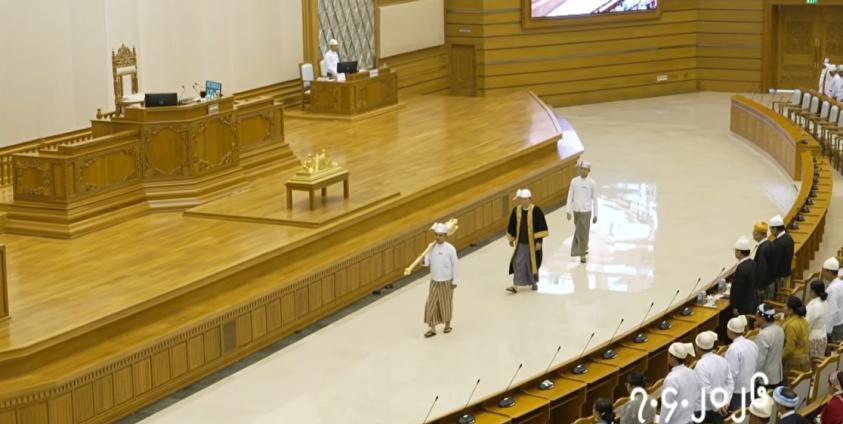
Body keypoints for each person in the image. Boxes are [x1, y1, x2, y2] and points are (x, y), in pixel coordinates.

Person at [506, 189, 549, 293]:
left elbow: (540, 226)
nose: (523, 201)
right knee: (517, 262)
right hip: (521, 243)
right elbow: (512, 225)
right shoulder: (516, 210)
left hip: (532, 244)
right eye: (521, 199)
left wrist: (539, 241)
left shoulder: (536, 211)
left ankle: (533, 282)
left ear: (529, 199)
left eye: (525, 199)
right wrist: (511, 239)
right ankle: (515, 285)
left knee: (531, 264)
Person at [421, 222, 458, 338]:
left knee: (445, 303)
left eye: (440, 235)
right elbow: (427, 263)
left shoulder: (450, 249)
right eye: (436, 235)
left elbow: (455, 265)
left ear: (445, 236)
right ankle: (432, 328)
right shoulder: (431, 247)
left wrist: (455, 281)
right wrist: (423, 259)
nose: (438, 237)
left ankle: (447, 325)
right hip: (434, 281)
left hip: (447, 281)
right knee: (430, 304)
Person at [693, 331, 734, 424]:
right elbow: (730, 383)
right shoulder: (722, 360)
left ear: (697, 347)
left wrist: (719, 407)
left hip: (703, 411)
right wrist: (726, 402)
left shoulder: (700, 366)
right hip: (720, 406)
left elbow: (706, 392)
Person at [725, 315, 759, 412]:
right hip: (750, 388)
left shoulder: (733, 349)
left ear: (730, 331)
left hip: (738, 393)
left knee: (738, 417)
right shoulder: (752, 344)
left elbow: (732, 375)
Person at [566, 161, 597, 263]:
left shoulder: (592, 183)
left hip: (586, 212)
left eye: (585, 169)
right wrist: (568, 210)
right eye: (581, 169)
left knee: (583, 233)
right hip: (576, 211)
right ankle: (584, 247)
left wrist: (595, 215)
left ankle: (582, 254)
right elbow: (570, 196)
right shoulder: (574, 181)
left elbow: (595, 199)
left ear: (589, 171)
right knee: (580, 232)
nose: (583, 171)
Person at [662, 342, 701, 424]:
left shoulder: (671, 379)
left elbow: (666, 408)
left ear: (672, 358)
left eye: (668, 355)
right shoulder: (692, 373)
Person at [755, 303, 784, 388]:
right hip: (778, 376)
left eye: (757, 316)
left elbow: (759, 361)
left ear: (762, 318)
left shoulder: (763, 335)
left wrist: (754, 379)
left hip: (766, 379)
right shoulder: (780, 329)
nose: (755, 318)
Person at [782, 296, 811, 374]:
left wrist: (779, 359)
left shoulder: (792, 326)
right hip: (805, 360)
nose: (783, 307)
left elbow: (789, 350)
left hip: (793, 363)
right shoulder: (804, 320)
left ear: (791, 310)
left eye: (785, 306)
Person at [731, 237, 758, 316]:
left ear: (739, 252)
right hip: (752, 301)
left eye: (736, 251)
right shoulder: (753, 263)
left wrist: (735, 306)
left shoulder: (741, 268)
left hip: (743, 305)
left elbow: (738, 289)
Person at [770, 214, 794, 293]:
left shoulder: (779, 243)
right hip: (786, 272)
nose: (770, 231)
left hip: (780, 276)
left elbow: (776, 262)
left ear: (775, 229)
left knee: (780, 295)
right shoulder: (788, 238)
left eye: (771, 229)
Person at [807, 279, 830, 359]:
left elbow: (807, 324)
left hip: (813, 339)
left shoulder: (814, 306)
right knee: (818, 362)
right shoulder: (825, 302)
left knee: (812, 362)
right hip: (822, 336)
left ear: (813, 291)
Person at [752, 221, 776, 302]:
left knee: (763, 306)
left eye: (754, 232)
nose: (753, 233)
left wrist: (760, 287)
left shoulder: (762, 248)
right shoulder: (770, 244)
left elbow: (762, 269)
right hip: (770, 282)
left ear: (759, 234)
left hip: (765, 287)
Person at [823, 258, 843, 343]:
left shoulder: (833, 289)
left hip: (835, 327)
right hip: (840, 321)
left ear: (829, 272)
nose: (823, 273)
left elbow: (832, 312)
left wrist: (827, 332)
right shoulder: (840, 283)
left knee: (835, 348)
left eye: (824, 271)